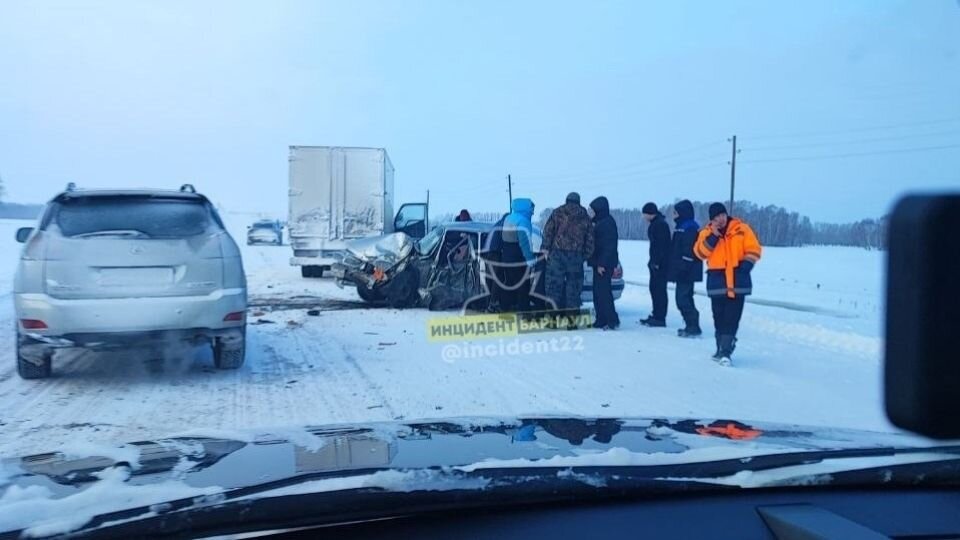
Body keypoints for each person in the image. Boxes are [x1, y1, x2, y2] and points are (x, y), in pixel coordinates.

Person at [694, 202, 762, 366]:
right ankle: (720, 348)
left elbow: (754, 248)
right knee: (719, 317)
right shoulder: (705, 233)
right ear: (712, 219)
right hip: (717, 283)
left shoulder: (742, 229)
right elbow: (700, 253)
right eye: (717, 217)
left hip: (738, 281)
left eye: (723, 215)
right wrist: (713, 237)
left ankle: (726, 351)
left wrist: (747, 265)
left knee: (732, 318)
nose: (721, 219)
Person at [541, 192, 594, 323]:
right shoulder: (585, 216)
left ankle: (552, 320)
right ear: (578, 201)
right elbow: (590, 240)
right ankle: (572, 321)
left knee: (553, 288)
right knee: (573, 290)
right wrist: (583, 256)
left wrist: (546, 249)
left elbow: (548, 232)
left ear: (567, 200)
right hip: (576, 257)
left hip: (557, 255)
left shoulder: (557, 212)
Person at [667, 199, 704, 337]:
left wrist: (682, 269)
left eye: (675, 212)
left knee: (682, 299)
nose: (674, 215)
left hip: (687, 270)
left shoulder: (689, 228)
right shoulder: (681, 226)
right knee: (684, 297)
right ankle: (691, 325)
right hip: (683, 269)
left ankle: (693, 326)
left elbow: (688, 252)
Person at [588, 196, 620, 330]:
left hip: (604, 265)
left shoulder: (607, 224)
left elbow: (609, 246)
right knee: (597, 293)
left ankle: (611, 320)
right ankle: (601, 319)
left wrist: (602, 264)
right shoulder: (600, 222)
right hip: (598, 263)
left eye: (592, 210)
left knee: (604, 293)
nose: (590, 213)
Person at [501, 198, 537, 312]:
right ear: (526, 208)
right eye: (532, 209)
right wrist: (530, 259)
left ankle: (505, 308)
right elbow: (525, 242)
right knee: (523, 285)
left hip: (507, 256)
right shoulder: (523, 221)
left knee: (509, 283)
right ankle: (524, 311)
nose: (533, 212)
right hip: (518, 258)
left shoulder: (509, 218)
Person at [640, 202, 670, 327]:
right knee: (654, 288)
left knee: (659, 290)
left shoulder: (660, 225)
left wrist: (657, 262)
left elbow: (661, 246)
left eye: (644, 214)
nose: (643, 217)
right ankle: (656, 314)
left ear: (650, 213)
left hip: (660, 264)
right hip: (655, 263)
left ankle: (660, 317)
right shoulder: (656, 224)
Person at [481, 212, 510, 312]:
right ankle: (493, 303)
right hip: (495, 254)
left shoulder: (496, 224)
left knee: (489, 279)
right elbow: (506, 242)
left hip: (487, 253)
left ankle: (488, 303)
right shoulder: (504, 226)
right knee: (498, 279)